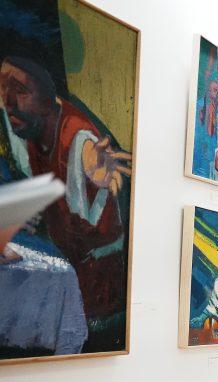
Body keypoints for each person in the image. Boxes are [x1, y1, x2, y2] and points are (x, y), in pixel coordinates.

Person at [0, 54, 131, 347]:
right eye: (2, 88)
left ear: (48, 95)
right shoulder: (27, 127)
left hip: (97, 291)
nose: (8, 101)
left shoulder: (80, 141)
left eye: (19, 90)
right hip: (68, 272)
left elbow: (88, 171)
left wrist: (92, 179)